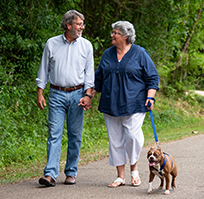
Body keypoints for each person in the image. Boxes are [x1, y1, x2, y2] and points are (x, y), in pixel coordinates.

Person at [91, 21, 159, 188]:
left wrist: (151, 97)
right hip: (110, 103)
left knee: (133, 136)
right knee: (115, 140)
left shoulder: (140, 53)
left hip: (135, 103)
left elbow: (152, 78)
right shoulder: (108, 54)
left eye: (115, 33)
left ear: (125, 36)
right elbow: (98, 79)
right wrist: (89, 95)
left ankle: (134, 170)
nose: (112, 35)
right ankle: (120, 176)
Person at [35, 10, 94, 187]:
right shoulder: (51, 43)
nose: (82, 27)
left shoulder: (86, 46)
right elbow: (43, 69)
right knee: (54, 134)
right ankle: (50, 174)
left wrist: (88, 95)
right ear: (68, 25)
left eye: (82, 24)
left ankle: (70, 173)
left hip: (78, 95)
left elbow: (89, 74)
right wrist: (40, 91)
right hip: (56, 94)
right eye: (79, 24)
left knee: (75, 135)